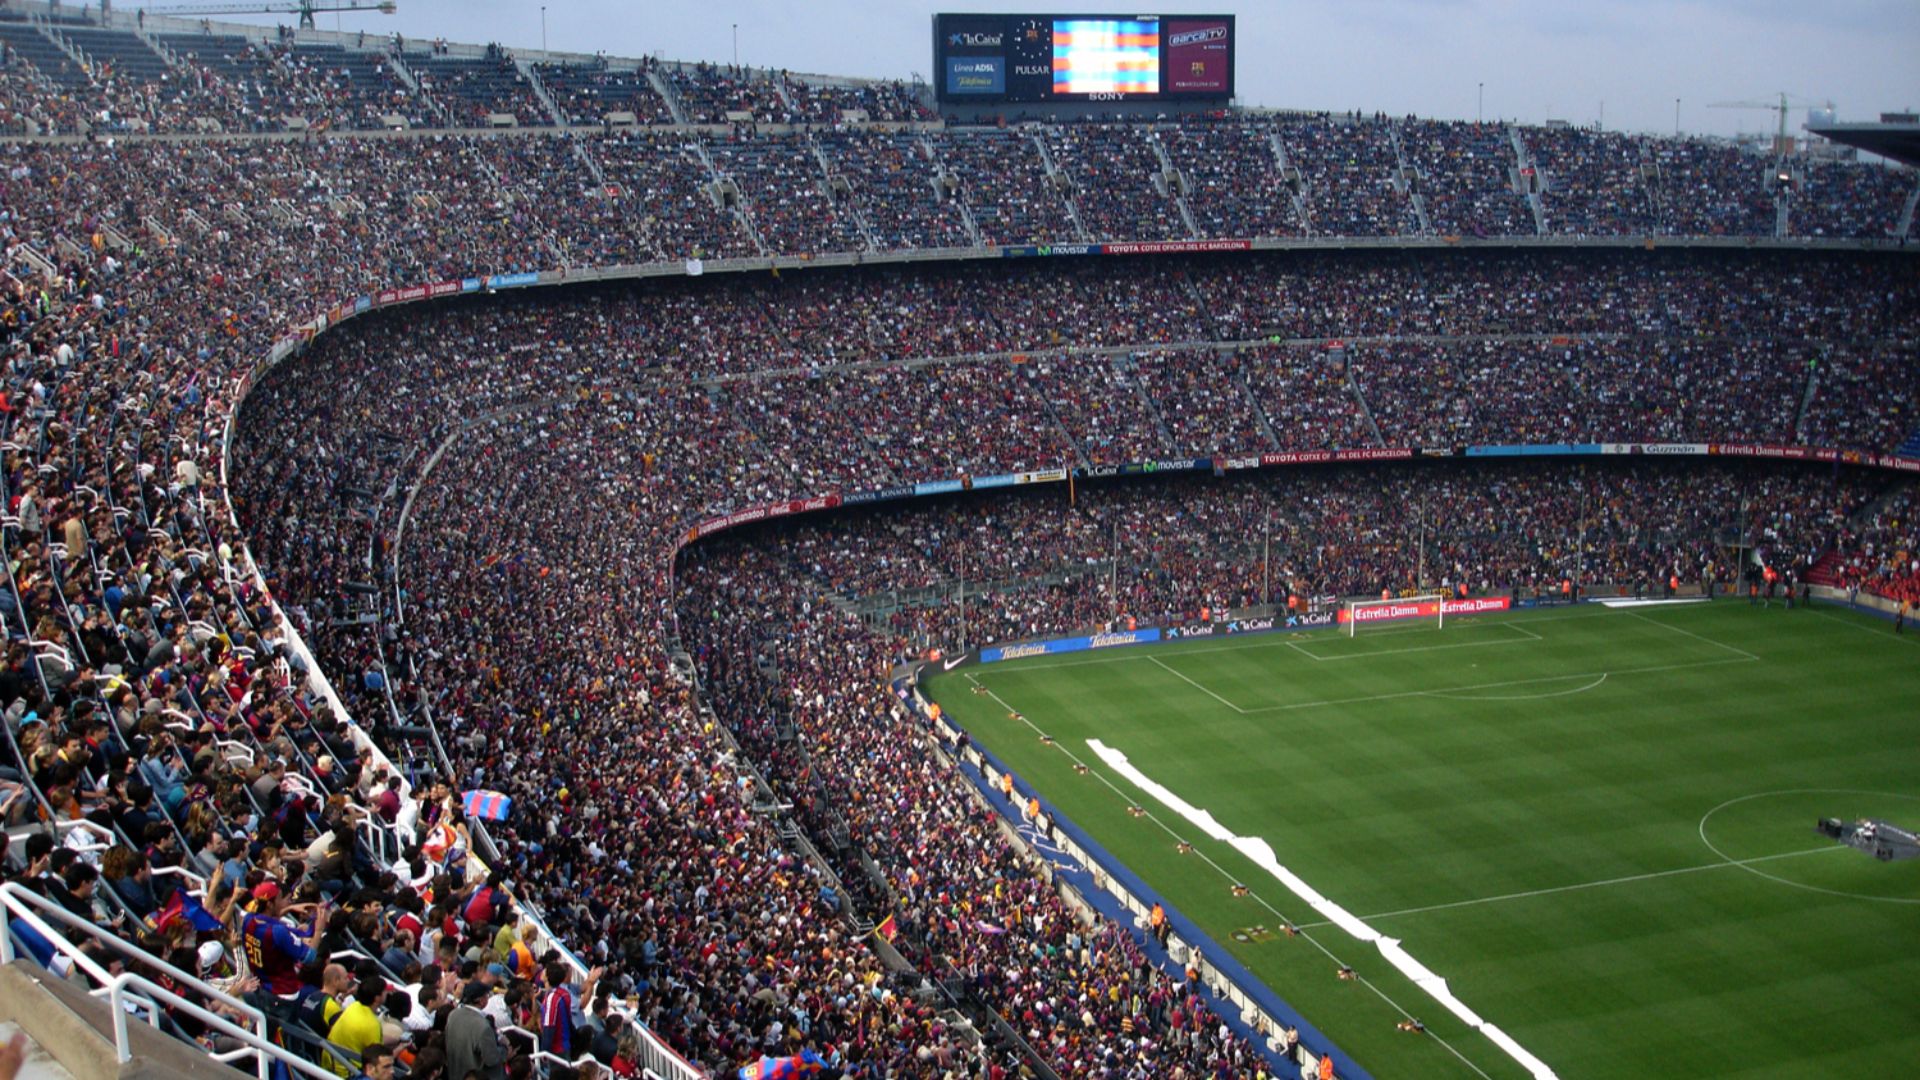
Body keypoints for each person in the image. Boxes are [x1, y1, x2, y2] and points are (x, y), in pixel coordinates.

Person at [447, 980, 507, 1080]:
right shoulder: (483, 1026)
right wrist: (504, 1048)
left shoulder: (453, 1015)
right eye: (487, 995)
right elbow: (491, 1059)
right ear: (481, 1000)